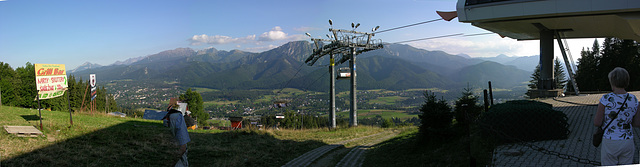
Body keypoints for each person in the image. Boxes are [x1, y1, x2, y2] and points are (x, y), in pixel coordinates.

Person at [594, 67, 639, 165]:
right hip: (628, 140)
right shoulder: (634, 99)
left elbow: (597, 122)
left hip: (610, 140)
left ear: (612, 82)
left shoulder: (606, 99)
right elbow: (637, 123)